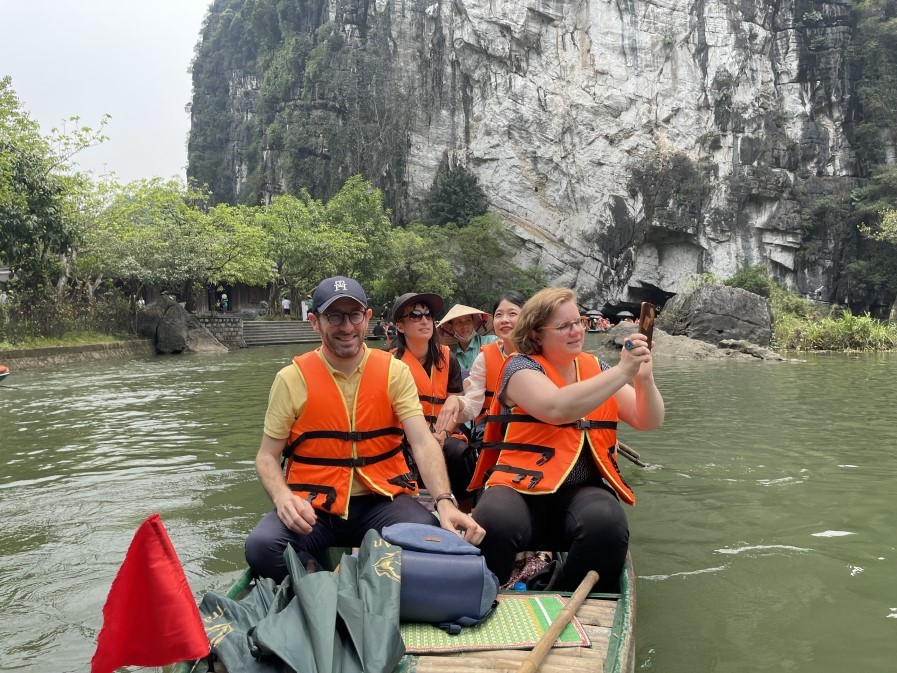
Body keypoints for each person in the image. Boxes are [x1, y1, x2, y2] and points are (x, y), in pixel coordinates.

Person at [244, 276, 484, 582]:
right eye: (334, 316)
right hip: (315, 506)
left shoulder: (393, 371)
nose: (346, 327)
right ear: (314, 322)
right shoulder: (291, 379)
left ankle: (340, 581)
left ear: (367, 318)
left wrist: (445, 502)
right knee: (263, 547)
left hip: (381, 500)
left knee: (428, 535)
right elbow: (266, 456)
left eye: (354, 315)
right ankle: (321, 581)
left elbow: (423, 442)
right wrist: (282, 497)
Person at [469, 287, 664, 593]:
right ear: (536, 335)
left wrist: (643, 379)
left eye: (578, 321)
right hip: (520, 486)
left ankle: (561, 591)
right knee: (494, 520)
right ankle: (485, 594)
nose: (576, 331)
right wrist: (624, 370)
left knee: (607, 522)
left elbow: (648, 420)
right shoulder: (520, 367)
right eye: (563, 326)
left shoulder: (596, 368)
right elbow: (556, 408)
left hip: (579, 490)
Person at [389, 292, 478, 508]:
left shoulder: (448, 358)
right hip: (403, 436)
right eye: (416, 315)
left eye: (428, 315)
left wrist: (443, 434)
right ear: (400, 326)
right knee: (396, 455)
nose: (424, 320)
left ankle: (466, 511)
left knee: (458, 451)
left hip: (443, 432)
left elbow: (453, 406)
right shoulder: (388, 360)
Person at [442, 291, 527, 440]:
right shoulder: (457, 355)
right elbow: (472, 400)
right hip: (482, 422)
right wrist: (456, 401)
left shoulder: (492, 342)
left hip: (526, 430)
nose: (505, 320)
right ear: (452, 328)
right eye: (499, 315)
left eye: (512, 313)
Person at [436, 304, 499, 375]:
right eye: (459, 322)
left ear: (473, 323)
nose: (464, 326)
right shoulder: (450, 355)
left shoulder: (491, 341)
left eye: (468, 320)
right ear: (452, 328)